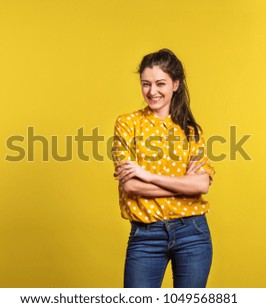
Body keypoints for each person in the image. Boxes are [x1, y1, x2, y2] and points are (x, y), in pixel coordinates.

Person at [112, 48, 216, 288]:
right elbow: (130, 185)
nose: (152, 91)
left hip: (193, 233)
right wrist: (184, 186)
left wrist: (147, 175)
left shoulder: (191, 131)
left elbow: (202, 185)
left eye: (160, 83)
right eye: (145, 84)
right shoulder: (128, 123)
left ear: (175, 84)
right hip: (146, 235)